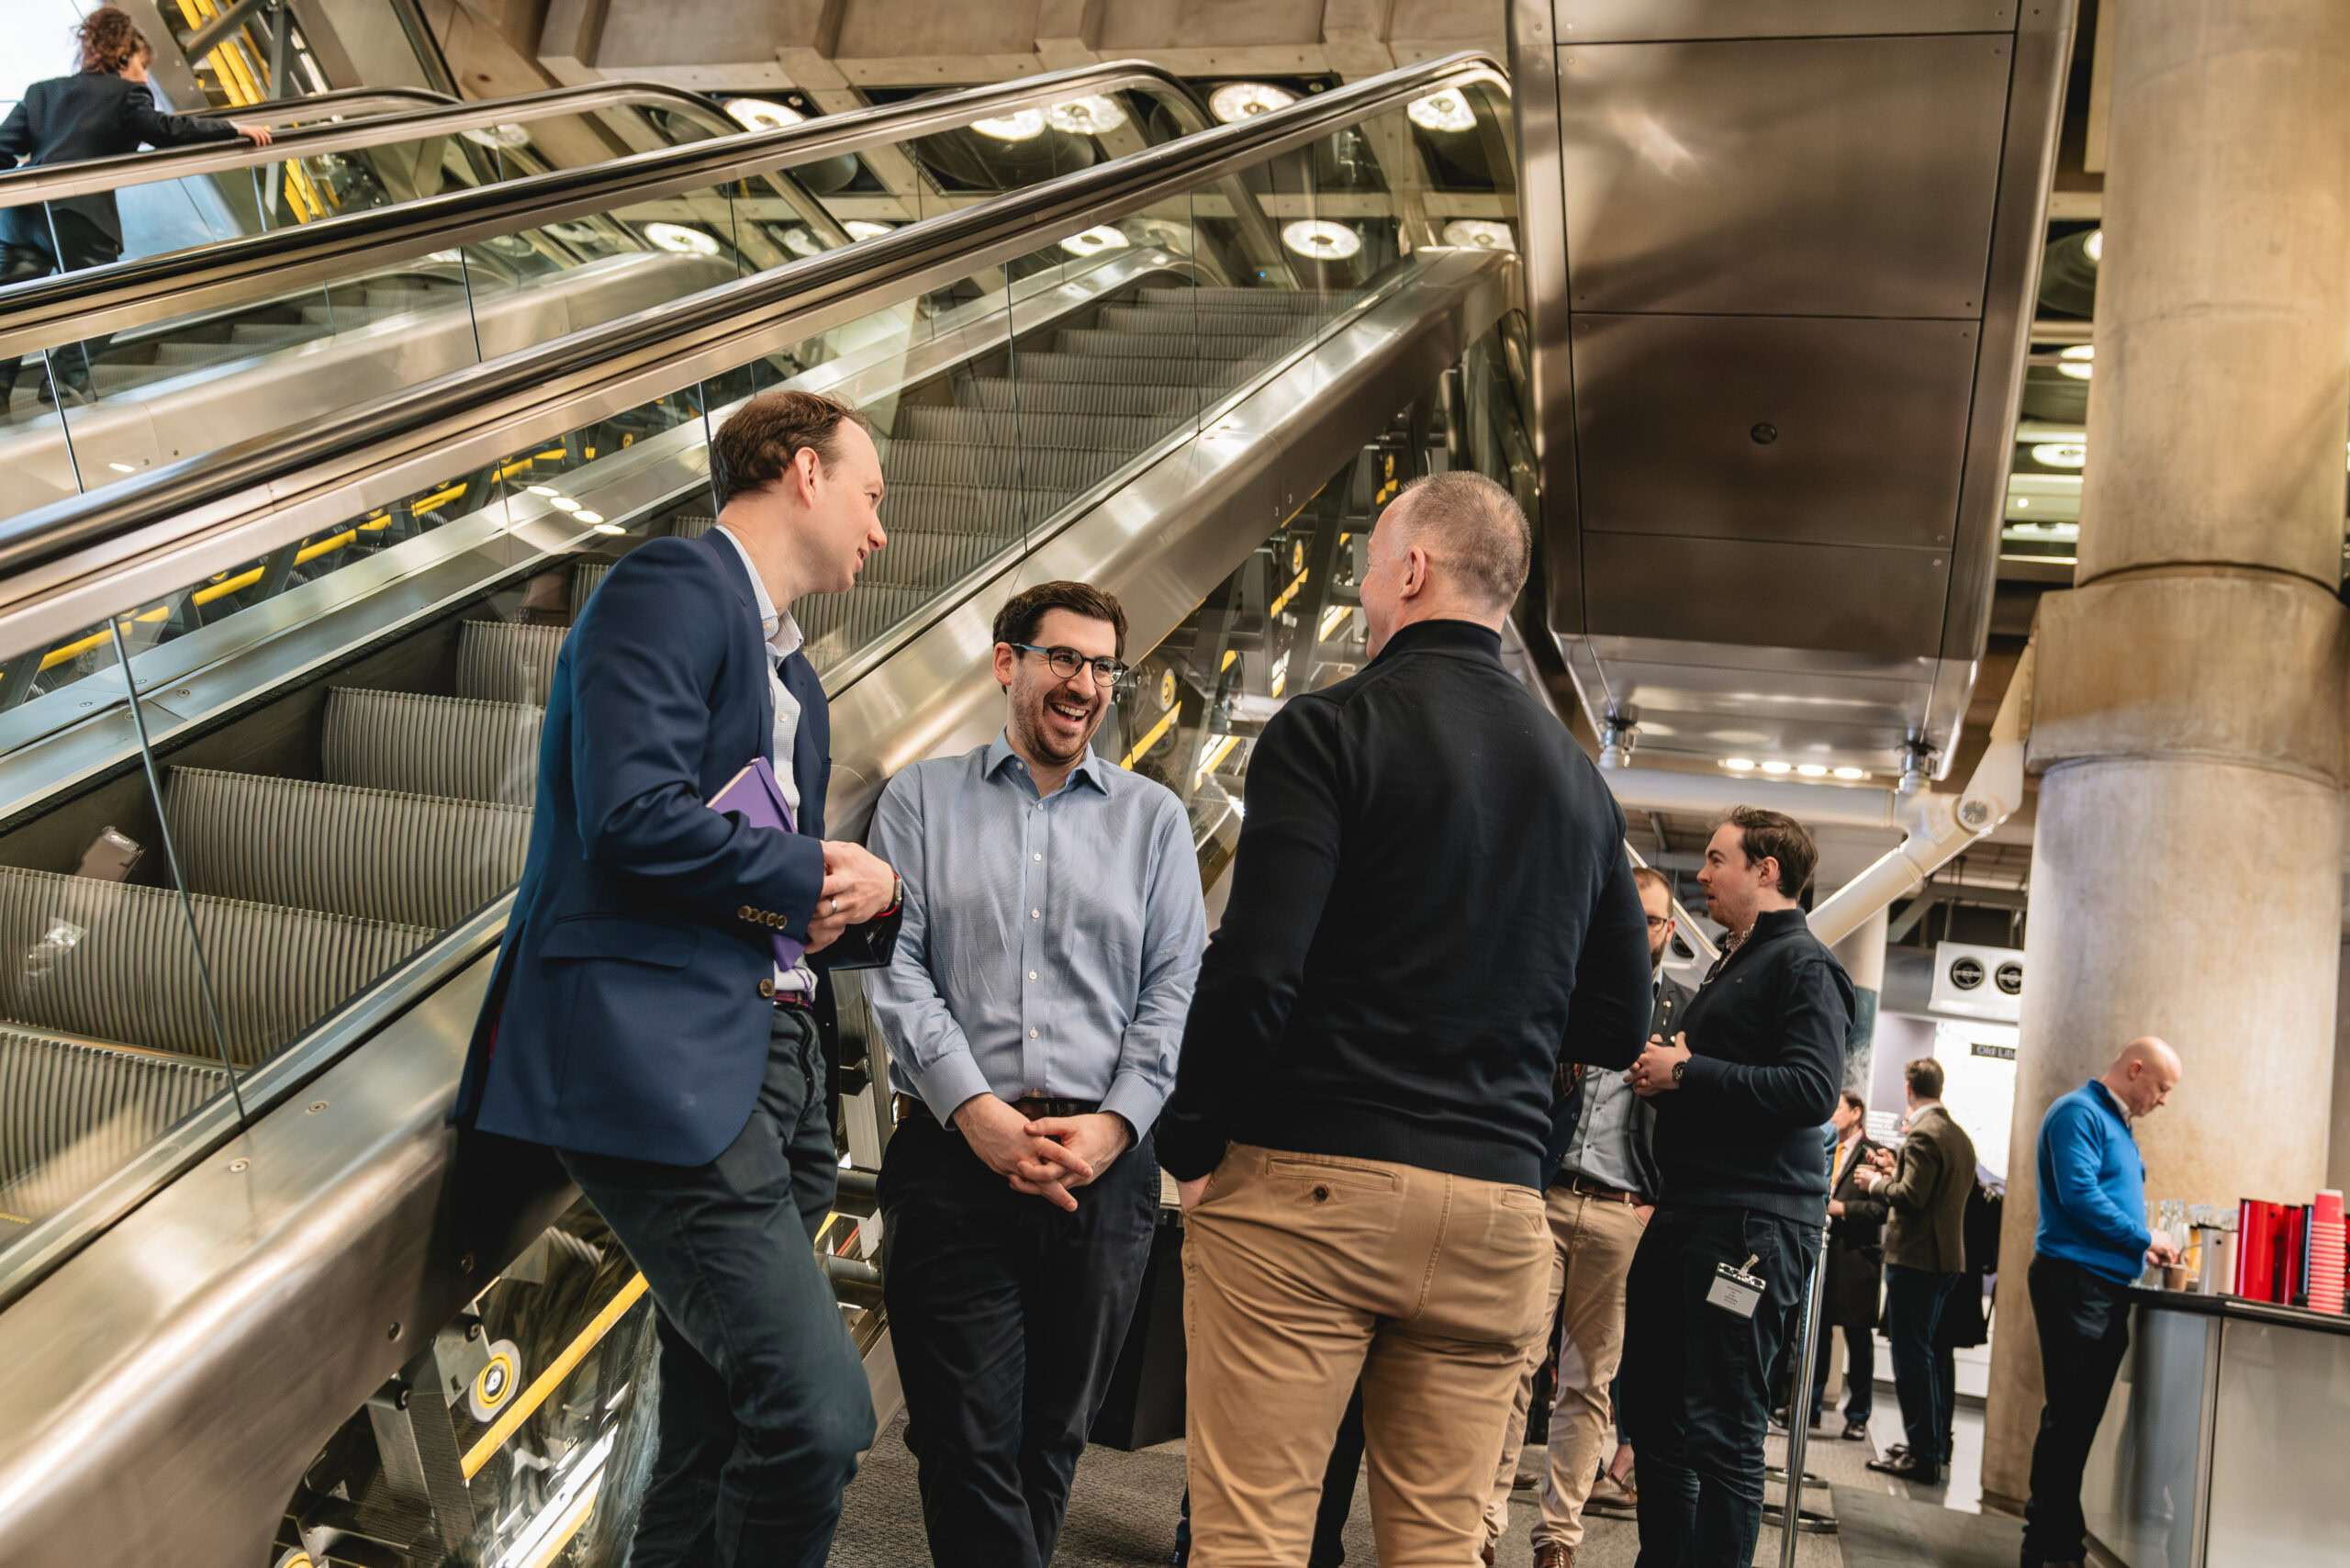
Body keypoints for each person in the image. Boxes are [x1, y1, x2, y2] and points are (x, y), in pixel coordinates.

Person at [1156, 469, 1652, 1565]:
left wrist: (1190, 1138)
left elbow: (1257, 969)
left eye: (1372, 565)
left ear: (1415, 569)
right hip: (1496, 1211)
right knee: (1436, 1548)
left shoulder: (1330, 730)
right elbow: (1618, 1018)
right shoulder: (1579, 787)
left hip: (1311, 1188)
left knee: (1251, 1539)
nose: (1368, 587)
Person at [453, 389, 900, 1568]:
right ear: (803, 471)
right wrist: (808, 869)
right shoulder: (668, 589)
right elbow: (631, 817)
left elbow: (754, 884)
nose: (880, 529)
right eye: (871, 494)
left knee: (711, 1429)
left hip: (778, 1069)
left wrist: (863, 898)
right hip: (667, 1070)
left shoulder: (794, 682)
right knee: (819, 1412)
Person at [865, 579, 1206, 1567]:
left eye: (1104, 666)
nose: (1087, 683)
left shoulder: (1153, 820)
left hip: (1103, 1174)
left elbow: (1174, 989)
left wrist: (1117, 1124)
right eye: (1065, 657)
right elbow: (896, 969)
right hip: (952, 1159)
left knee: (1048, 1441)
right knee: (961, 1438)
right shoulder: (921, 802)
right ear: (1007, 661)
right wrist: (972, 1110)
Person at [1617, 806, 1851, 1568]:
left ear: (1767, 871)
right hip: (1690, 1213)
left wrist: (1687, 1070)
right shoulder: (1730, 961)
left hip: (1749, 1226)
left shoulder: (1803, 965)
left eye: (1718, 860)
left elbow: (1812, 1090)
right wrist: (1675, 1073)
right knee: (1655, 1419)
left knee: (1722, 1432)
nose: (1703, 875)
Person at [1480, 864, 1682, 1568]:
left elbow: (1692, 1124)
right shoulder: (1563, 989)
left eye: (1650, 921)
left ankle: (1558, 1537)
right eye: (1626, 917)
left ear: (1668, 931)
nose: (1636, 931)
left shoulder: (1681, 1015)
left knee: (1589, 1382)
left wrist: (1660, 1202)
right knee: (1512, 1364)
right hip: (1544, 1195)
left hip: (1624, 1213)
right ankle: (1483, 1523)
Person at [1, 7, 272, 406]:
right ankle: (62, 380)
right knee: (112, 298)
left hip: (19, 218)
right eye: (143, 66)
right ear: (124, 56)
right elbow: (165, 131)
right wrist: (231, 129)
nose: (146, 78)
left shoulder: (42, 91)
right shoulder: (127, 95)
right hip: (79, 215)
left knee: (15, 315)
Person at [2021, 1038, 2183, 1568]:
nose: (2163, 1100)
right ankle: (2053, 1542)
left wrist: (2139, 1247)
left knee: (2076, 1420)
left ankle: (2052, 1539)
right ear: (2135, 1069)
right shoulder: (2078, 1112)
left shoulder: (2116, 1123)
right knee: (2069, 1419)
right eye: (2161, 1087)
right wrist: (2142, 1237)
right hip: (2076, 1283)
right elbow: (2079, 1195)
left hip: (2099, 1286)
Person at [1858, 1058, 1976, 1485]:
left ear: (1909, 1089)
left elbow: (1911, 1197)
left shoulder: (1924, 1133)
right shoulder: (1956, 1134)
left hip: (1917, 1261)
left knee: (1912, 1360)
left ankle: (1922, 1455)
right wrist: (1896, 1170)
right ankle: (1931, 1446)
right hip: (1944, 1262)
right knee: (1931, 1356)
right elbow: (1933, 1191)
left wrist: (1875, 1183)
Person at [1782, 1091, 1884, 1440]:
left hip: (1856, 1257)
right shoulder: (1824, 1145)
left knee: (1858, 1339)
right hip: (1823, 1256)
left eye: (1839, 1107)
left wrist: (1844, 1209)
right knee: (1816, 1333)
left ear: (1856, 1113)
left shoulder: (1877, 1152)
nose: (1832, 1113)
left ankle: (1858, 1415)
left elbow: (1883, 1208)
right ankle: (1808, 1409)